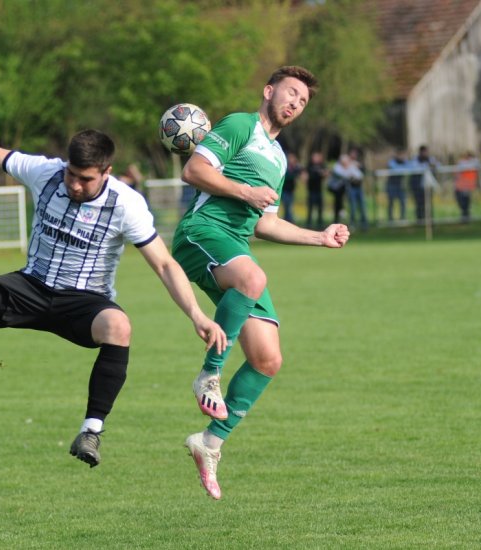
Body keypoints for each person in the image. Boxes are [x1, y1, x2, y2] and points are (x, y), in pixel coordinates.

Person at [0, 99, 226, 469]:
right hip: (29, 286)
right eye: (71, 175)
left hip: (84, 302)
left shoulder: (127, 204)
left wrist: (197, 314)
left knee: (119, 326)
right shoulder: (45, 172)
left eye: (86, 178)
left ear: (107, 171)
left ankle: (91, 431)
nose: (76, 184)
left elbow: (163, 263)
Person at [170, 66, 350, 500]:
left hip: (236, 247)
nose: (295, 103)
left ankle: (209, 443)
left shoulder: (280, 158)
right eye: (291, 93)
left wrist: (319, 237)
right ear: (269, 91)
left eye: (303, 101)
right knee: (253, 276)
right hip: (203, 232)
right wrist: (243, 191)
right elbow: (193, 172)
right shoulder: (240, 125)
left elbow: (265, 225)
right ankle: (208, 376)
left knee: (268, 359)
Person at [328, 154, 362, 224]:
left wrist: (353, 167)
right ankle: (337, 217)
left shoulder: (350, 166)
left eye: (346, 162)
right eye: (343, 162)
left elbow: (359, 176)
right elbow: (343, 175)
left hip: (343, 189)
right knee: (338, 202)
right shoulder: (337, 167)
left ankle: (342, 215)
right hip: (335, 189)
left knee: (342, 202)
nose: (345, 163)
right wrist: (351, 169)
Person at [409, 145, 437, 221]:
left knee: (428, 203)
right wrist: (428, 166)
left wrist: (431, 166)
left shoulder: (431, 159)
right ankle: (420, 220)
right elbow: (415, 168)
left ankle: (429, 219)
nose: (426, 153)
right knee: (419, 203)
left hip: (427, 186)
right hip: (417, 186)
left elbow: (436, 166)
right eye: (424, 152)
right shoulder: (415, 159)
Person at [454, 151, 480, 222]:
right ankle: (465, 216)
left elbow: (476, 164)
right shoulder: (462, 162)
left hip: (467, 186)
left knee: (466, 202)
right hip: (461, 186)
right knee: (462, 202)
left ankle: (466, 217)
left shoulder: (473, 162)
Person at [346, 147, 368, 230]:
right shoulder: (347, 163)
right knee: (353, 207)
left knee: (362, 207)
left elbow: (364, 171)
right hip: (351, 187)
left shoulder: (358, 163)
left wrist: (360, 166)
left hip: (359, 188)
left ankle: (364, 225)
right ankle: (352, 225)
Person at [305, 151, 327, 228]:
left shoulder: (322, 166)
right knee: (310, 208)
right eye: (314, 157)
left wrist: (324, 173)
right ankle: (309, 224)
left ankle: (320, 224)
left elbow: (326, 174)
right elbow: (305, 176)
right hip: (311, 190)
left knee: (320, 208)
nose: (315, 158)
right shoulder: (309, 166)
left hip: (319, 190)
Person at [386, 149, 409, 221]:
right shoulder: (392, 162)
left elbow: (410, 167)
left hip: (400, 186)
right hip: (391, 185)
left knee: (403, 202)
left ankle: (402, 218)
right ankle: (390, 219)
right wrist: (403, 168)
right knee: (391, 203)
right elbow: (394, 168)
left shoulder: (405, 162)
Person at [280, 152, 303, 223]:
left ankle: (288, 220)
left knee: (289, 206)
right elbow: (287, 176)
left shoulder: (294, 167)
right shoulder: (285, 167)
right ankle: (287, 220)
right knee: (287, 206)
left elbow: (300, 172)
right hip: (285, 190)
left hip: (291, 190)